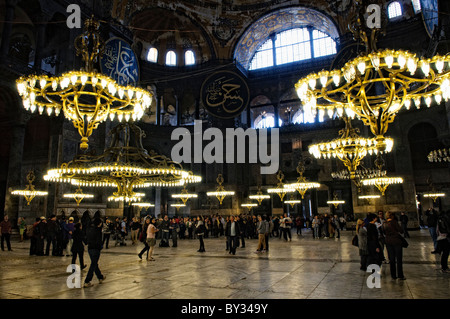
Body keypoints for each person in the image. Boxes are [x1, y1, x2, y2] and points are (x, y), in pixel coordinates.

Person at [84, 218, 106, 288]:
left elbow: (86, 239)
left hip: (90, 248)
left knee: (94, 263)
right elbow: (99, 241)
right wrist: (100, 247)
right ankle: (87, 281)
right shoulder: (98, 231)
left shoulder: (89, 229)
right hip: (96, 249)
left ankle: (100, 277)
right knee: (93, 265)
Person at [383, 211, 406, 280]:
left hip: (388, 241)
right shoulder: (394, 222)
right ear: (392, 216)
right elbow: (401, 230)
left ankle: (393, 275)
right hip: (396, 241)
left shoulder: (384, 223)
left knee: (391, 259)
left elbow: (383, 232)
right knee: (399, 259)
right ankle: (400, 275)